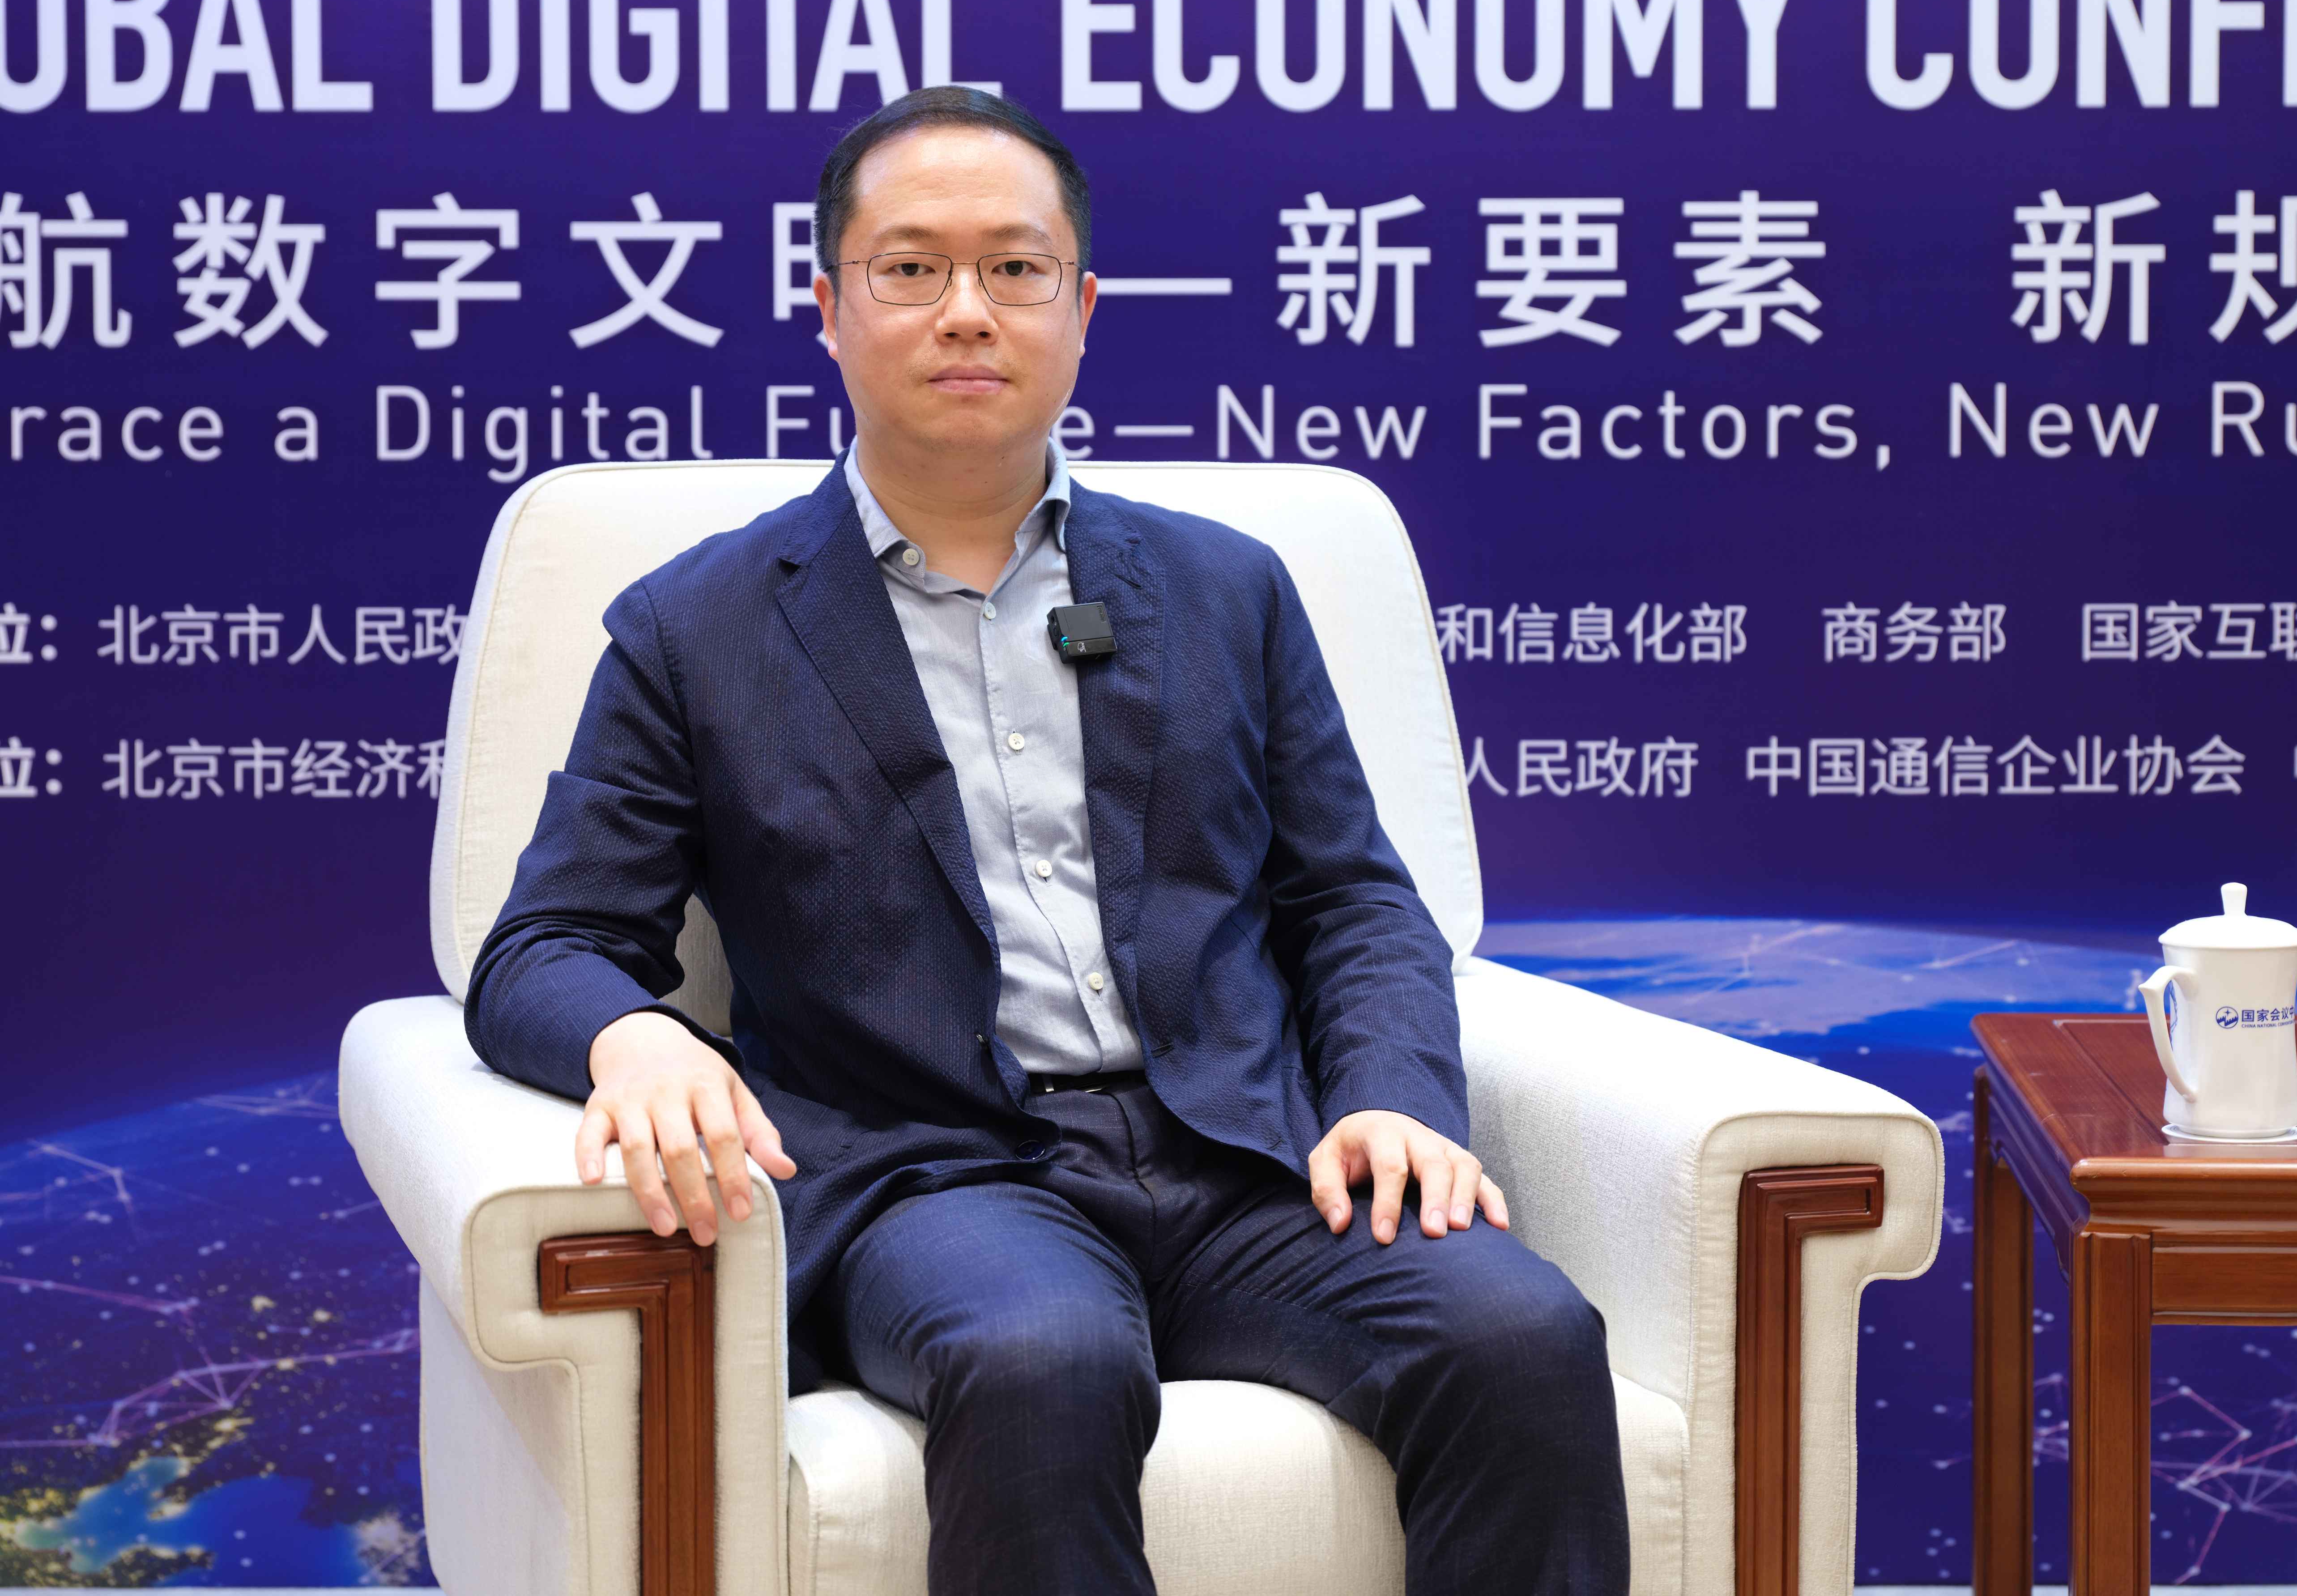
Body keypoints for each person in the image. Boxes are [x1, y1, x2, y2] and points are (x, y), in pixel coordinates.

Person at [465, 85, 1630, 1596]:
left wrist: (1393, 1095)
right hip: (937, 1181)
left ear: (1080, 310)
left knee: (1522, 1335)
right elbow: (543, 946)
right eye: (911, 267)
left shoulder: (1226, 590)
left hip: (1244, 1164)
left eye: (1015, 268)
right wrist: (634, 1038)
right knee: (1041, 1361)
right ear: (828, 308)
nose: (967, 309)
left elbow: (1351, 899)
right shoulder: (699, 628)